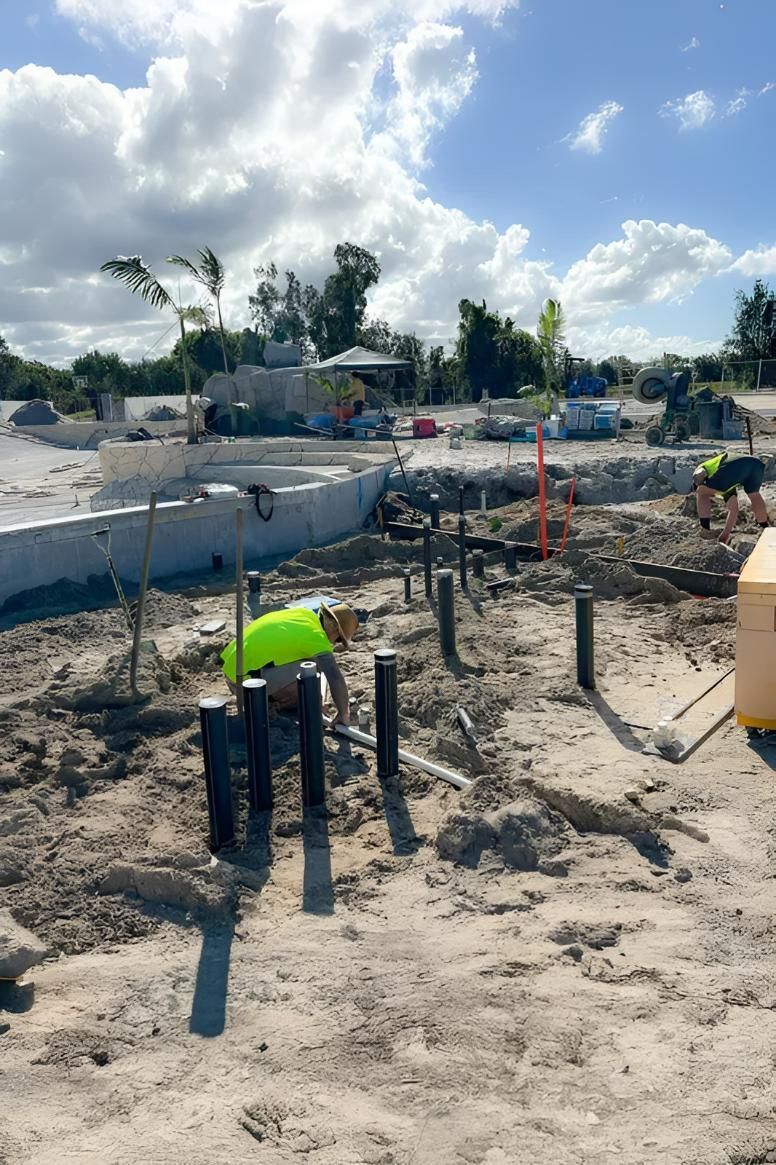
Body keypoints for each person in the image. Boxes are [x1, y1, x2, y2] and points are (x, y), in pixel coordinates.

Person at [221, 602, 359, 723]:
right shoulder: (316, 637)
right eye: (339, 639)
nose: (335, 643)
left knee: (309, 665)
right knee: (311, 672)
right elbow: (334, 676)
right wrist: (343, 713)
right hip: (245, 683)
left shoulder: (304, 615)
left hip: (233, 669)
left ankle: (273, 699)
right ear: (334, 626)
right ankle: (271, 704)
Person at [692, 451, 771, 544]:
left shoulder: (706, 470)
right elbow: (734, 510)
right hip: (756, 464)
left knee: (702, 493)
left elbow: (699, 474)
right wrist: (725, 535)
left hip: (731, 465)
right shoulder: (728, 489)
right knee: (754, 495)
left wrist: (700, 487)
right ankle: (765, 528)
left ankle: (705, 529)